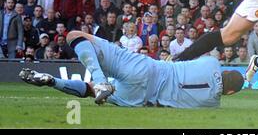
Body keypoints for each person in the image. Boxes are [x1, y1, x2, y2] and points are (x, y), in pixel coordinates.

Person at [19, 30, 244, 108]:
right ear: (230, 93)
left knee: (75, 36)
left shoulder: (212, 63)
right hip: (142, 98)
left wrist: (178, 57)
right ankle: (54, 82)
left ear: (224, 70)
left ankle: (100, 80)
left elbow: (207, 42)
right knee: (88, 90)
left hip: (148, 68)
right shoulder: (211, 104)